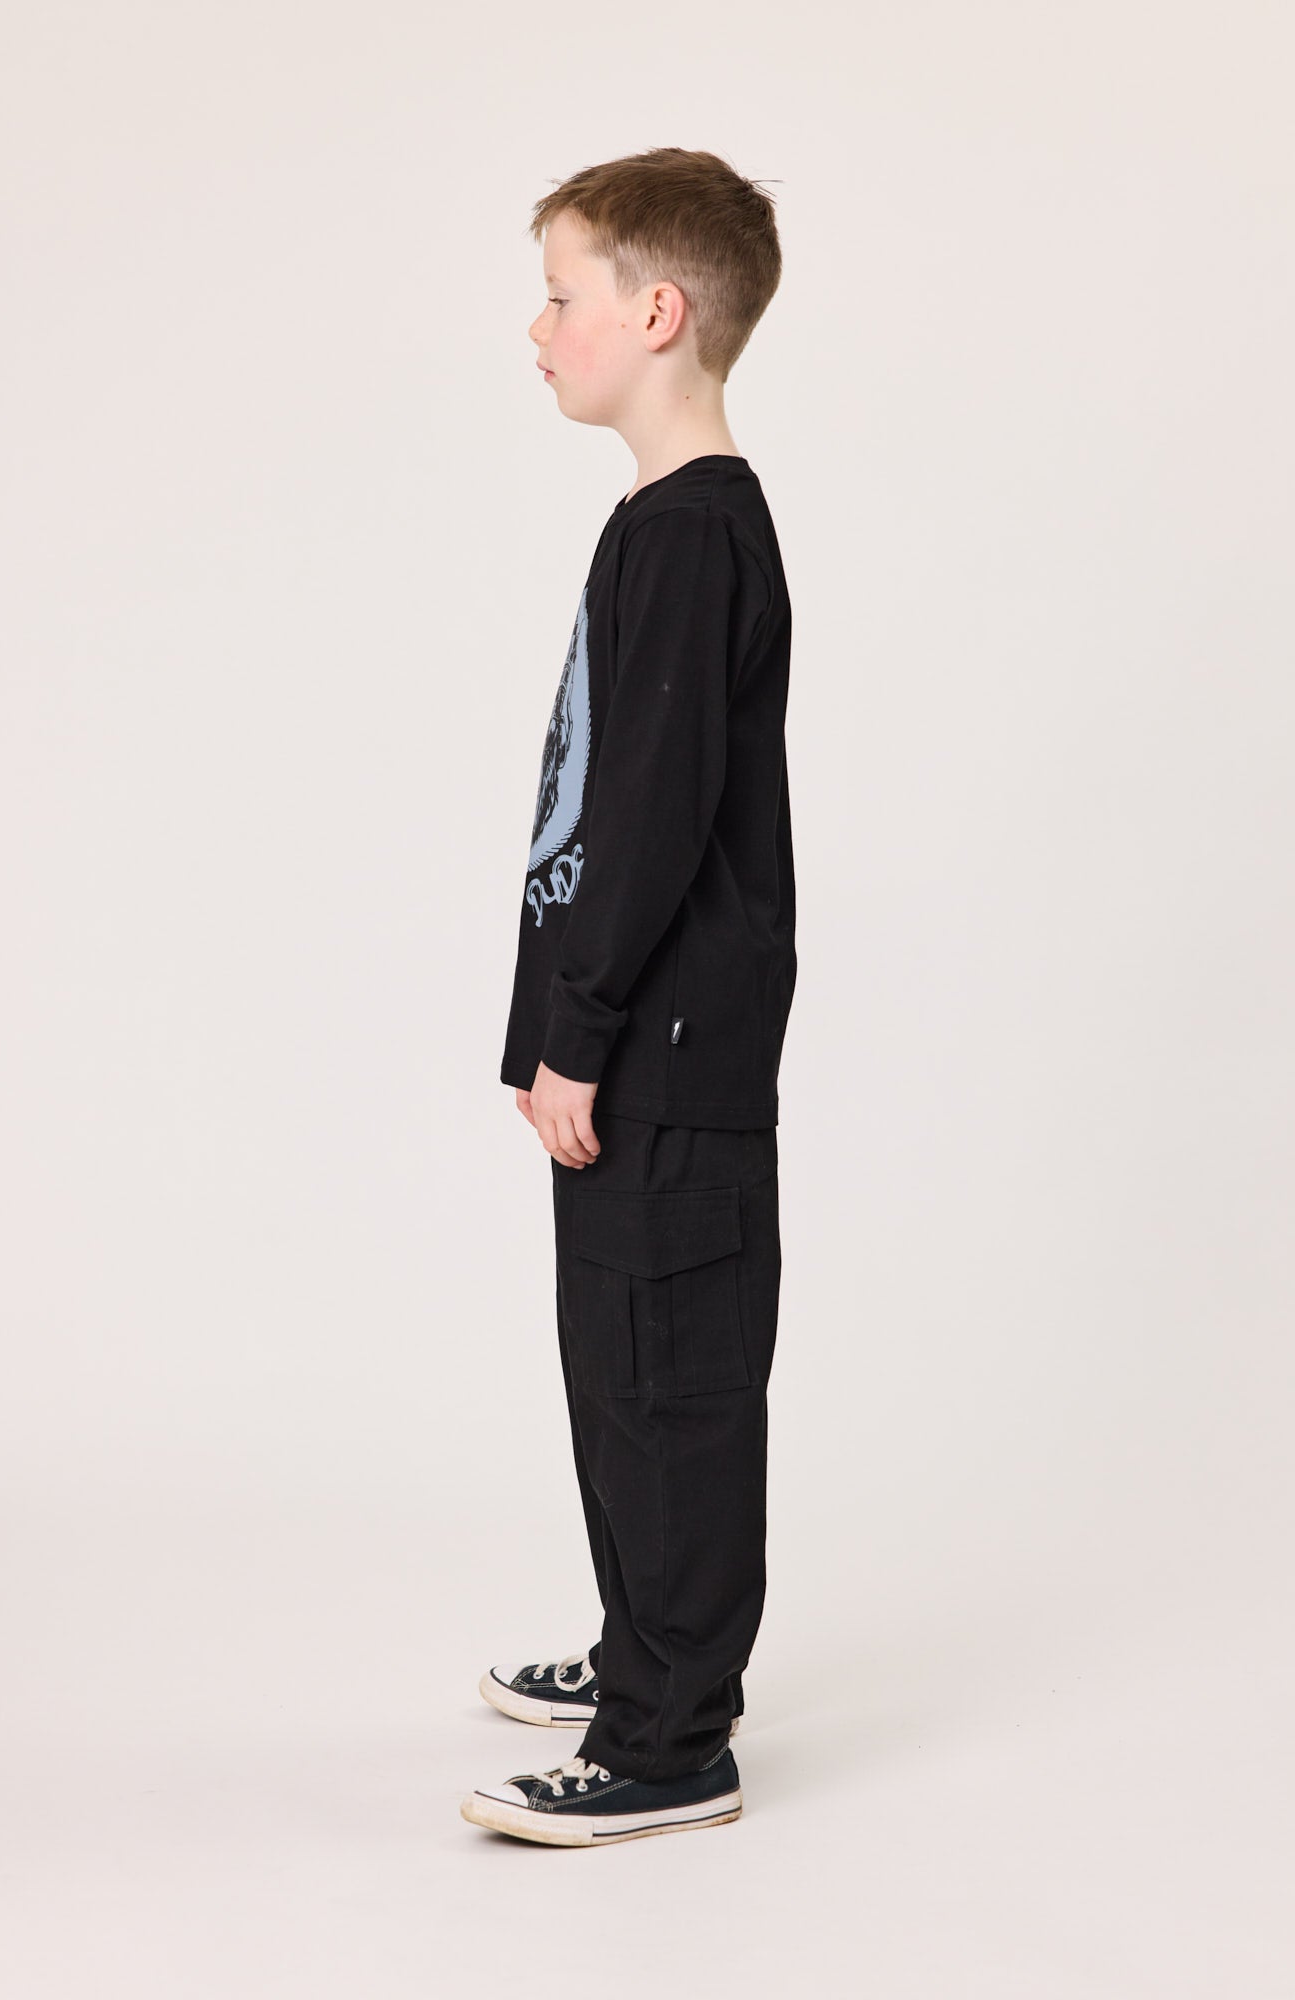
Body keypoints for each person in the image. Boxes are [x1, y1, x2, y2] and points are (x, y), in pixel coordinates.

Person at [460, 146, 796, 1848]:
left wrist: (581, 1031)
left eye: (560, 295)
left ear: (656, 313)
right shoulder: (659, 529)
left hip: (666, 1057)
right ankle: (640, 1654)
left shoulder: (693, 536)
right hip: (624, 1051)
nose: (537, 328)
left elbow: (651, 817)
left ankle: (675, 1741)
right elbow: (601, 806)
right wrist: (549, 1034)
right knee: (619, 1369)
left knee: (673, 1384)